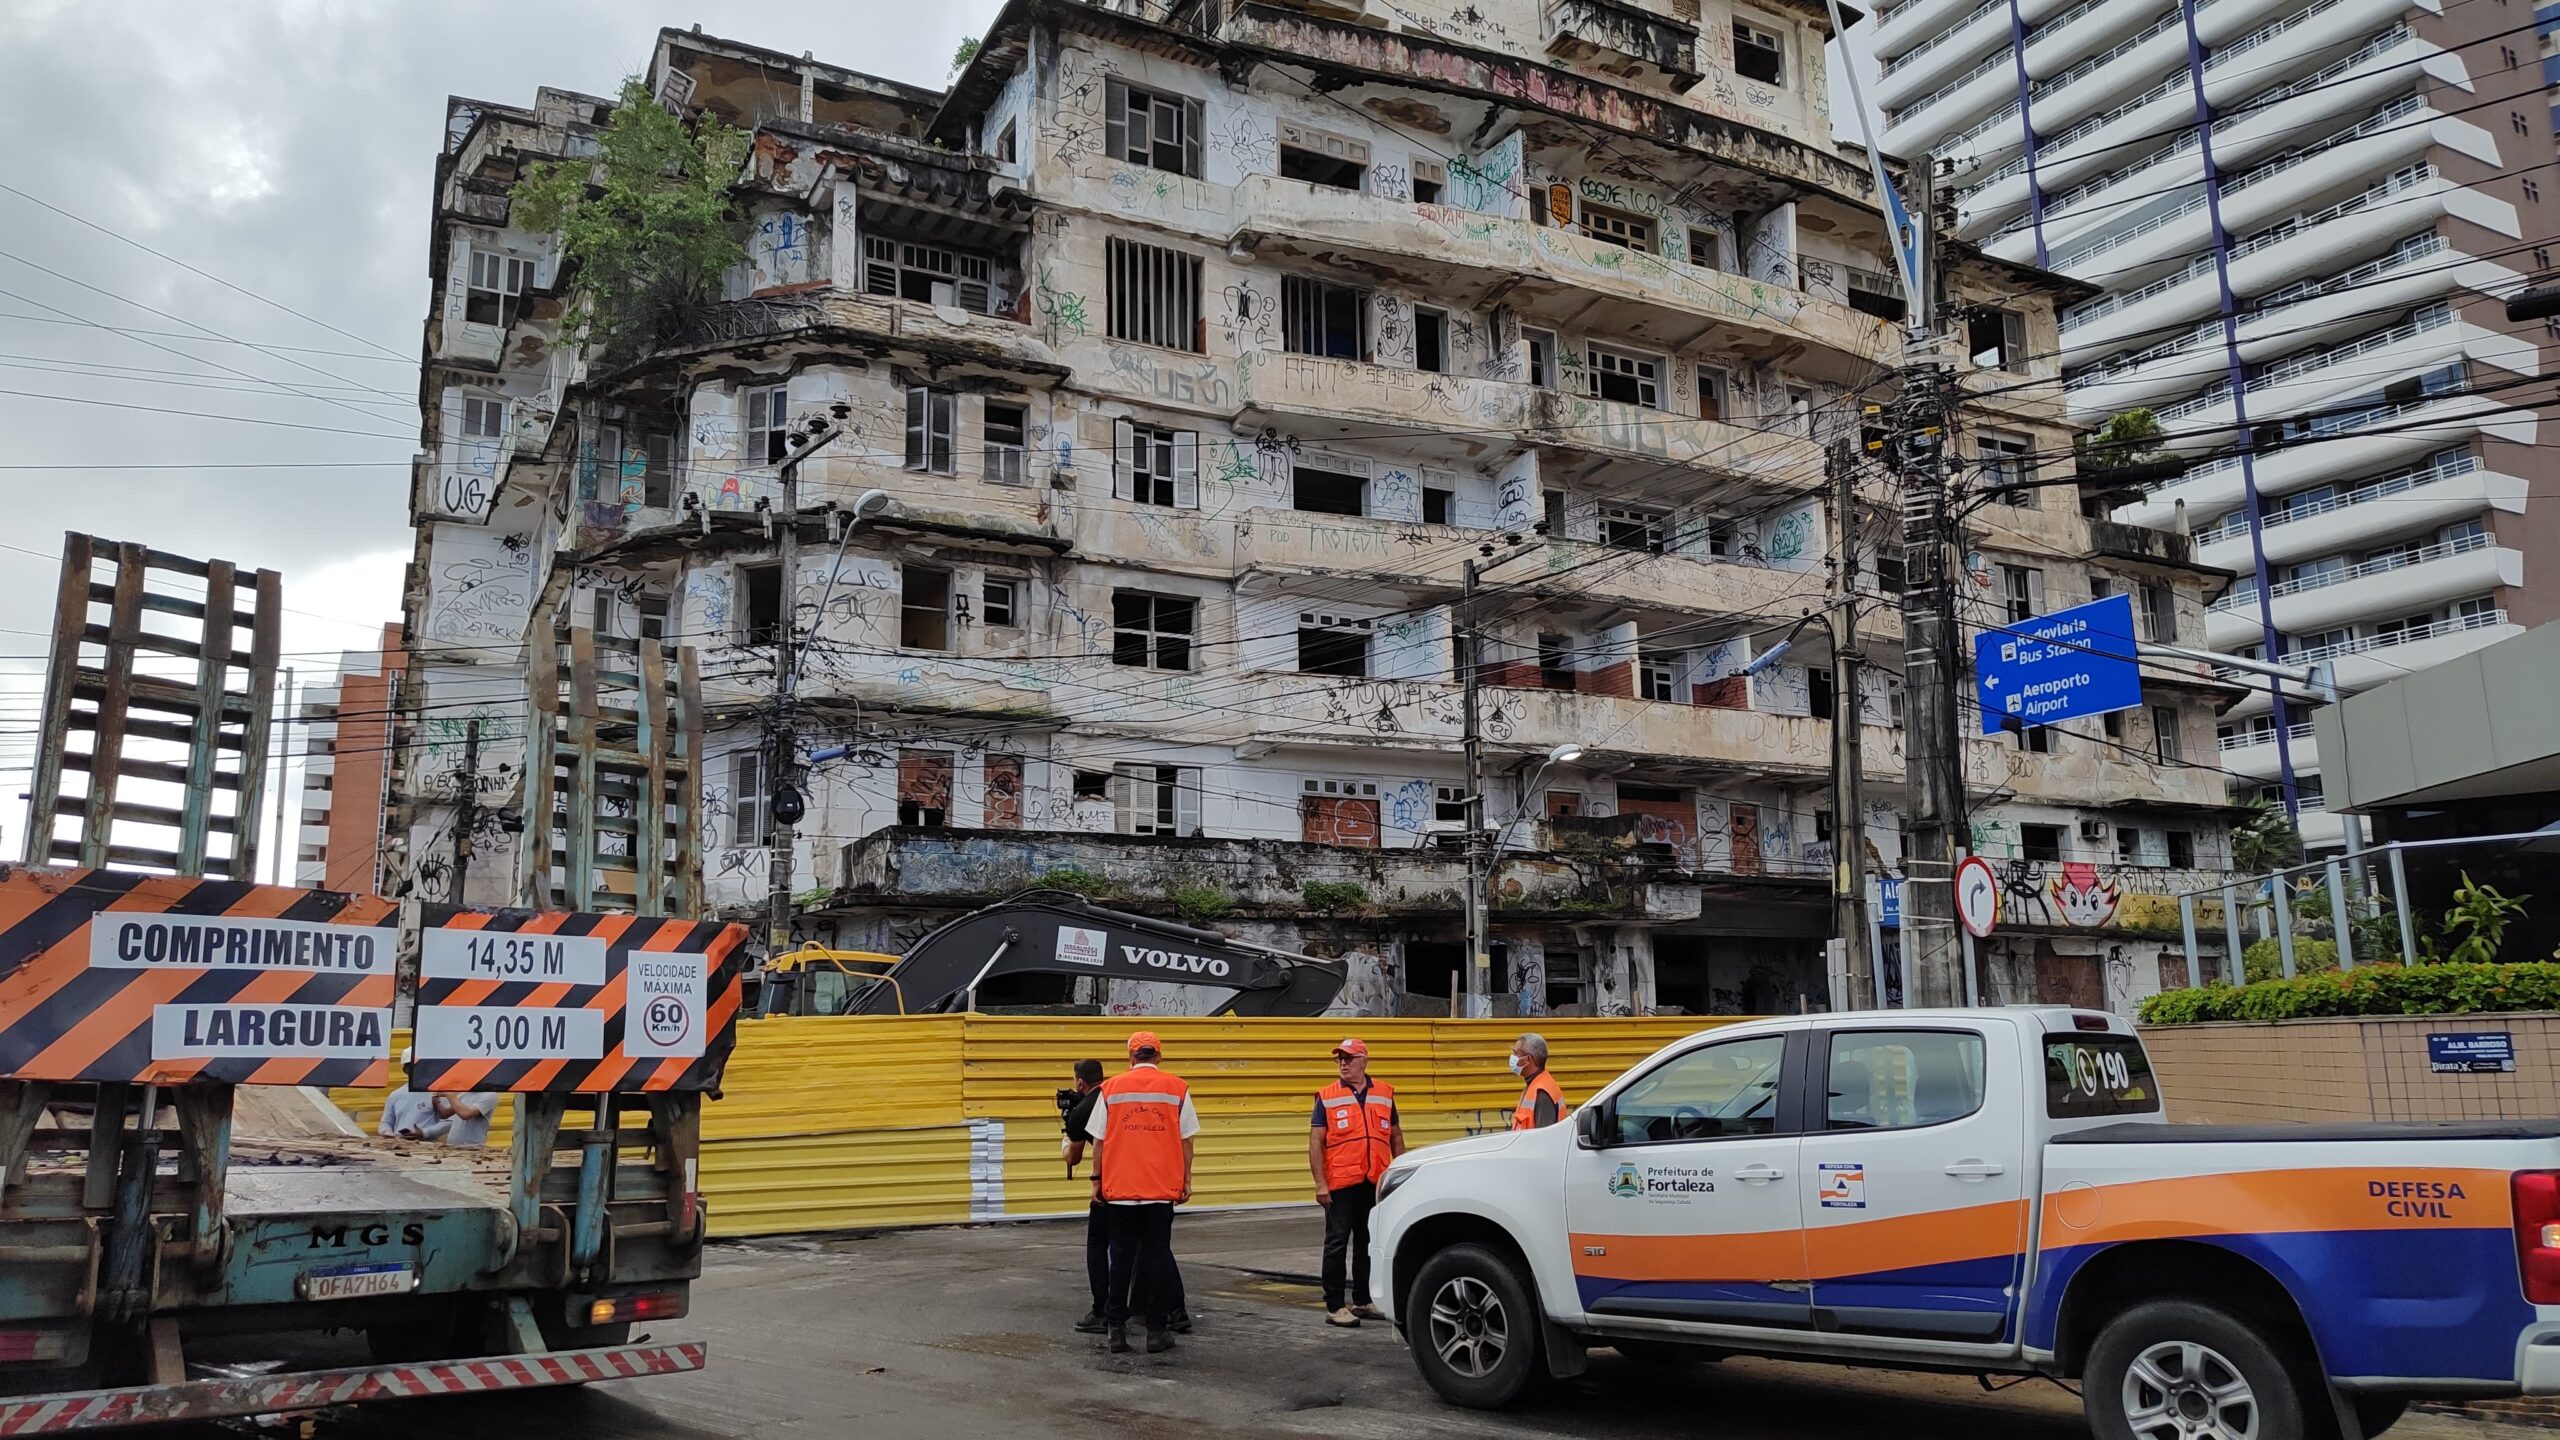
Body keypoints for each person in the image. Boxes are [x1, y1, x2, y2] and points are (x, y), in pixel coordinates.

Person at [1081, 1030, 1198, 1356]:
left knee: (1120, 1257)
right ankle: (1156, 1332)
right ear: (1158, 1056)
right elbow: (1187, 1141)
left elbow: (1099, 1143)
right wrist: (1186, 1180)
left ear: (1131, 1057)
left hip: (1120, 1190)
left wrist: (1097, 1182)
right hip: (1160, 1189)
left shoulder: (1111, 1089)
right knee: (1156, 1257)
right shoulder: (1178, 1088)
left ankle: (1115, 1330)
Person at [1310, 1038, 1403, 1328]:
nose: (1343, 1064)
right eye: (1340, 1059)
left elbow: (1396, 1137)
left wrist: (1400, 1173)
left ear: (1364, 1061)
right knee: (1336, 1243)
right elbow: (1315, 1144)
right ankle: (1335, 1305)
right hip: (1340, 1184)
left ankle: (1362, 1300)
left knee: (1367, 1242)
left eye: (1349, 1058)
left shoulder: (1385, 1093)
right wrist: (1320, 1184)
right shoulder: (1327, 1096)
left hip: (1373, 1181)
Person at [1510, 1032, 1567, 1131]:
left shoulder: (1541, 1092)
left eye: (1516, 1053)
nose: (1512, 1057)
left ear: (1529, 1059)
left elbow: (1545, 1138)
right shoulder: (1534, 1084)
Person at [378, 1049, 438, 1140]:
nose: (417, 1069)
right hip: (400, 1146)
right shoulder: (395, 1095)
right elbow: (385, 1123)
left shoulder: (437, 1092)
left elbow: (448, 1122)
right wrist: (387, 1132)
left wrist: (424, 1133)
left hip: (428, 1148)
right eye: (413, 1066)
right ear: (405, 1069)